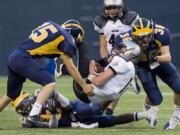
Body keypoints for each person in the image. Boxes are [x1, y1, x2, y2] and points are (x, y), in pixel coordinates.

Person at [0, 20, 92, 126]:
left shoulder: (50, 24)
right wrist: (84, 85)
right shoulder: (67, 40)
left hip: (15, 56)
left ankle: (33, 115)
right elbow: (70, 66)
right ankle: (33, 116)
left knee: (11, 95)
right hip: (24, 58)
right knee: (50, 83)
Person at [126, 17, 180, 129]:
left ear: (152, 31)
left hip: (159, 62)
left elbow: (167, 57)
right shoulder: (126, 38)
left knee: (179, 87)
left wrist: (154, 58)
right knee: (156, 100)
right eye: (140, 37)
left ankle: (176, 116)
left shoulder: (161, 32)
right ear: (133, 34)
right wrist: (132, 77)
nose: (144, 39)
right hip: (142, 67)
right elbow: (125, 62)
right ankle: (146, 104)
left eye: (146, 36)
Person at [11, 91, 156, 128]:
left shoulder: (42, 97)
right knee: (109, 119)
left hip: (75, 111)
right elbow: (53, 126)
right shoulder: (30, 120)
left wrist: (66, 110)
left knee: (96, 111)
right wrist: (54, 114)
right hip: (75, 121)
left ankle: (120, 88)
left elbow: (57, 95)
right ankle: (146, 114)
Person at [92, 0, 139, 115]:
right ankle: (107, 110)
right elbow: (103, 43)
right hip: (111, 55)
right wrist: (104, 58)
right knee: (113, 85)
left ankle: (107, 110)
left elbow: (137, 37)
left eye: (114, 7)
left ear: (121, 7)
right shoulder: (100, 21)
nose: (111, 10)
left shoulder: (131, 17)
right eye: (108, 8)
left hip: (127, 53)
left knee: (117, 83)